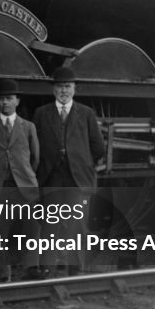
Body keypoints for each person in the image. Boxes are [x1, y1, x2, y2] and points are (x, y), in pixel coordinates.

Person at [32, 66, 105, 276]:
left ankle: (76, 268)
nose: (63, 90)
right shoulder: (41, 113)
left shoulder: (86, 114)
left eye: (67, 86)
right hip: (51, 175)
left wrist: (82, 163)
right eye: (59, 87)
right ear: (53, 90)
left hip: (77, 177)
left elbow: (98, 146)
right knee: (49, 223)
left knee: (77, 224)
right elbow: (35, 146)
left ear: (74, 89)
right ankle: (47, 267)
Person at [0, 78, 40, 280]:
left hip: (23, 184)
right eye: (2, 99)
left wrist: (24, 174)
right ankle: (4, 272)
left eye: (9, 98)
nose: (5, 102)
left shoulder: (28, 127)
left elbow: (35, 158)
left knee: (30, 226)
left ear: (17, 101)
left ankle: (32, 269)